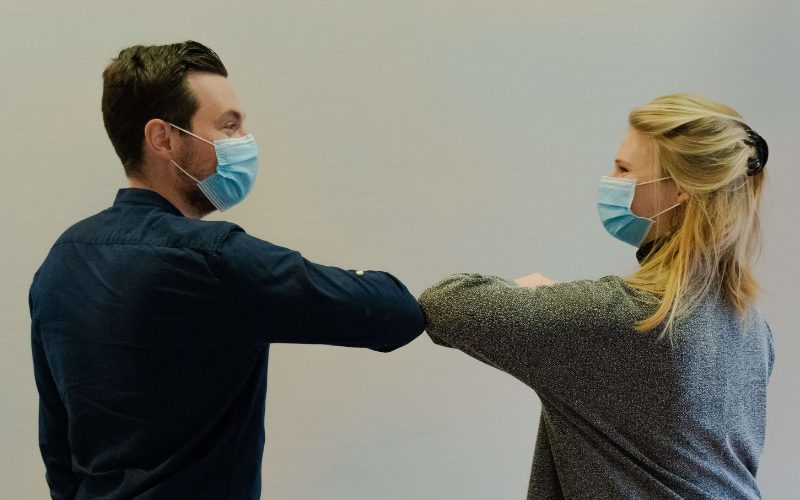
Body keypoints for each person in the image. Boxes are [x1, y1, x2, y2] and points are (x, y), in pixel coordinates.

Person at [29, 41, 424, 499]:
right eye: (228, 126)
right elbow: (394, 314)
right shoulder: (215, 260)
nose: (244, 142)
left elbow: (57, 449)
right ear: (163, 138)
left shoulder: (60, 262)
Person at [419, 94, 774, 499]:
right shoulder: (751, 330)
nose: (611, 180)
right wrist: (561, 308)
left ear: (679, 191)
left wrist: (548, 304)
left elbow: (445, 302)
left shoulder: (628, 318)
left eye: (624, 169)